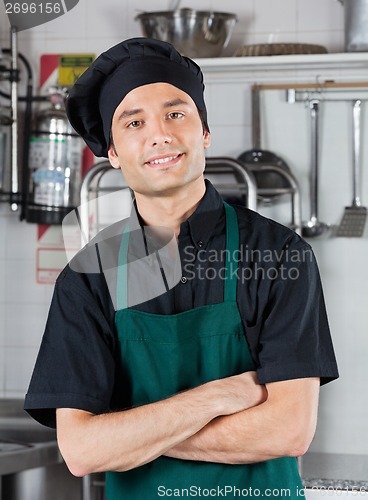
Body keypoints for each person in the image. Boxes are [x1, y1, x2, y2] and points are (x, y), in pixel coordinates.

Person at [24, 38, 339, 499]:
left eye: (176, 113)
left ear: (204, 132)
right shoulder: (89, 278)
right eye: (134, 122)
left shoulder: (280, 254)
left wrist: (134, 435)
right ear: (112, 152)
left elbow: (289, 430)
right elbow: (81, 450)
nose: (160, 135)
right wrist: (219, 398)